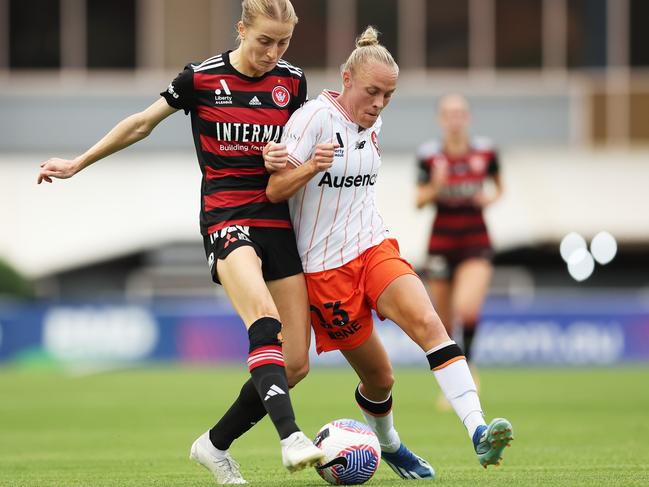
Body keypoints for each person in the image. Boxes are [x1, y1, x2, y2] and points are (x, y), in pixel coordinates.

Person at [36, 0, 324, 484]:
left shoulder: (292, 83)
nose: (273, 52)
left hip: (277, 219)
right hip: (226, 217)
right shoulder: (201, 78)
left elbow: (296, 157)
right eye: (264, 41)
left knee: (295, 362)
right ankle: (292, 437)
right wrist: (78, 162)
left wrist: (287, 161)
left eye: (283, 43)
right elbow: (141, 123)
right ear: (241, 30)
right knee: (264, 318)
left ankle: (213, 446)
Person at [262, 26, 514, 478]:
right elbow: (275, 188)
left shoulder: (373, 122)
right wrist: (311, 167)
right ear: (346, 79)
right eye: (372, 92)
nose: (378, 104)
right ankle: (390, 444)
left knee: (430, 323)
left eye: (389, 96)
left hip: (374, 247)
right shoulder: (312, 119)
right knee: (380, 378)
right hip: (325, 272)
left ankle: (478, 430)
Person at [415, 94, 504, 394]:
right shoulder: (429, 156)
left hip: (475, 237)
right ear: (441, 119)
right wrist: (436, 186)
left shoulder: (486, 152)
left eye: (460, 113)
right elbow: (419, 201)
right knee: (443, 319)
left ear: (468, 118)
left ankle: (469, 367)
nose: (454, 119)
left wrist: (489, 198)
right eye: (449, 114)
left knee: (466, 308)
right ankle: (452, 380)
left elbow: (499, 188)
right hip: (441, 239)